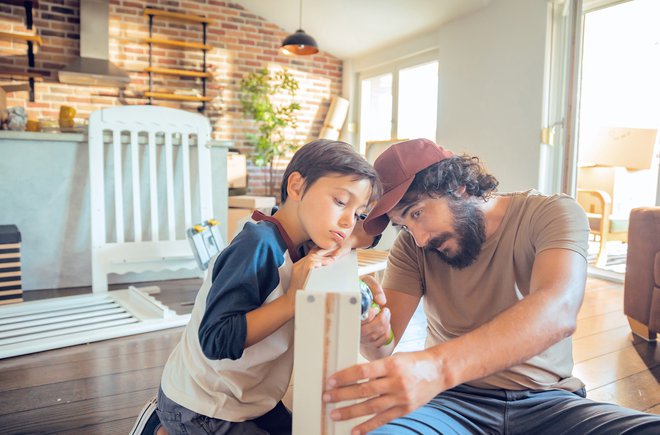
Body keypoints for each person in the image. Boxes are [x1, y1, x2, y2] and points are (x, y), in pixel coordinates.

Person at [322, 138, 660, 434]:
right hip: (449, 403)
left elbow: (557, 311)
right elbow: (384, 346)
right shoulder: (412, 248)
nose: (420, 238)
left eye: (417, 213)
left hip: (548, 402)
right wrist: (374, 335)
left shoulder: (551, 213)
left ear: (459, 186)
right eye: (404, 225)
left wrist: (436, 367)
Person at [154, 139, 380, 435]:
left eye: (358, 212)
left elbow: (374, 229)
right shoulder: (257, 246)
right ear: (297, 187)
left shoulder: (309, 236)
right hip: (203, 405)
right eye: (340, 201)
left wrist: (348, 239)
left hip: (251, 399)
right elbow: (215, 339)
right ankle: (160, 428)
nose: (348, 221)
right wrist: (291, 301)